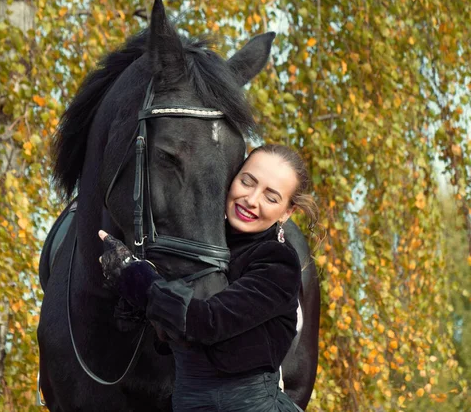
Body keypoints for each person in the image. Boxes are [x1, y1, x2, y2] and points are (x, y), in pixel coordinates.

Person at [99, 144, 318, 412]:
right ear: (231, 179)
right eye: (247, 182)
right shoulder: (201, 247)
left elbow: (207, 322)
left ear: (286, 212)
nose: (251, 199)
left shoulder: (277, 262)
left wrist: (137, 280)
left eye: (271, 198)